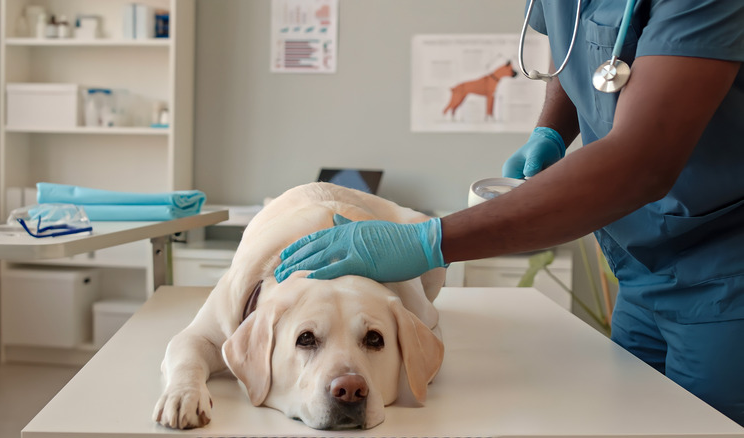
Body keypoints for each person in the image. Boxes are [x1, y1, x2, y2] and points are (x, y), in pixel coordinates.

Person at [274, 0, 744, 427]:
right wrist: (552, 130)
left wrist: (430, 242)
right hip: (641, 268)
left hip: (726, 268)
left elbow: (642, 163)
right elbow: (579, 52)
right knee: (631, 421)